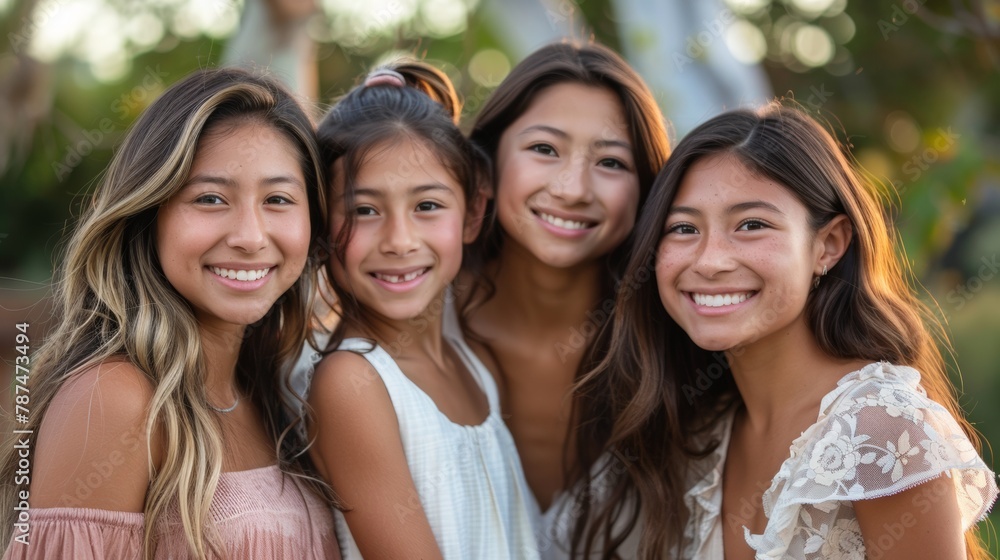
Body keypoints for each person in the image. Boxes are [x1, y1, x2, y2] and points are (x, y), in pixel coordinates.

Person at [580, 102, 998, 558]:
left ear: (828, 245)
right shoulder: (702, 433)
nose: (710, 260)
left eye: (752, 224)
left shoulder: (879, 430)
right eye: (682, 228)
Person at [0, 67, 339, 559]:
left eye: (278, 199)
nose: (249, 235)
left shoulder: (281, 392)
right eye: (210, 198)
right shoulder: (115, 398)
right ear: (148, 214)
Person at [303, 61, 539, 560]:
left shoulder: (476, 365)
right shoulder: (353, 383)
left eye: (427, 206)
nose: (399, 241)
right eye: (364, 210)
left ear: (473, 212)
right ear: (322, 228)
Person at [461, 41, 671, 557]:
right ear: (486, 167)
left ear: (647, 189)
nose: (573, 188)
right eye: (545, 149)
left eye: (611, 162)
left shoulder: (680, 335)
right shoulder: (415, 317)